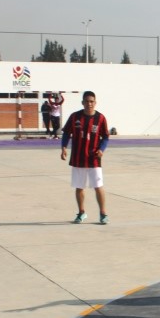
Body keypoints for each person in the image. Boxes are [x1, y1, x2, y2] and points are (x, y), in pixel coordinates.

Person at [60, 91, 110, 225]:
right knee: (79, 187)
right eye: (87, 101)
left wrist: (101, 149)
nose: (89, 104)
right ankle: (81, 213)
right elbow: (66, 134)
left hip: (94, 159)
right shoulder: (74, 117)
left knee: (98, 186)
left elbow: (105, 137)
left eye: (92, 101)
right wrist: (64, 147)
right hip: (78, 158)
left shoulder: (100, 118)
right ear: (82, 102)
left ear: (95, 102)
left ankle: (103, 214)